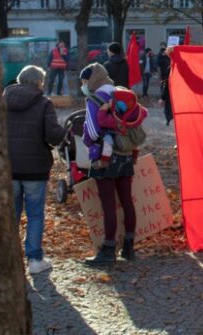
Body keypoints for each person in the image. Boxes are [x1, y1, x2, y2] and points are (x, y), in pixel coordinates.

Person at [4, 65, 66, 274]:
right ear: (39, 82)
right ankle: (34, 260)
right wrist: (62, 132)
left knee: (10, 213)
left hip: (8, 167)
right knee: (35, 214)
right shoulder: (43, 104)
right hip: (35, 168)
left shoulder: (1, 101)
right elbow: (53, 136)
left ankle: (9, 260)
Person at [80, 63, 138, 265]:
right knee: (127, 200)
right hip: (127, 154)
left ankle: (108, 249)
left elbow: (93, 133)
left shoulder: (94, 99)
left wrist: (86, 140)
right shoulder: (122, 93)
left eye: (85, 81)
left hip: (105, 158)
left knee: (108, 205)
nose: (84, 85)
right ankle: (129, 247)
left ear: (92, 80)